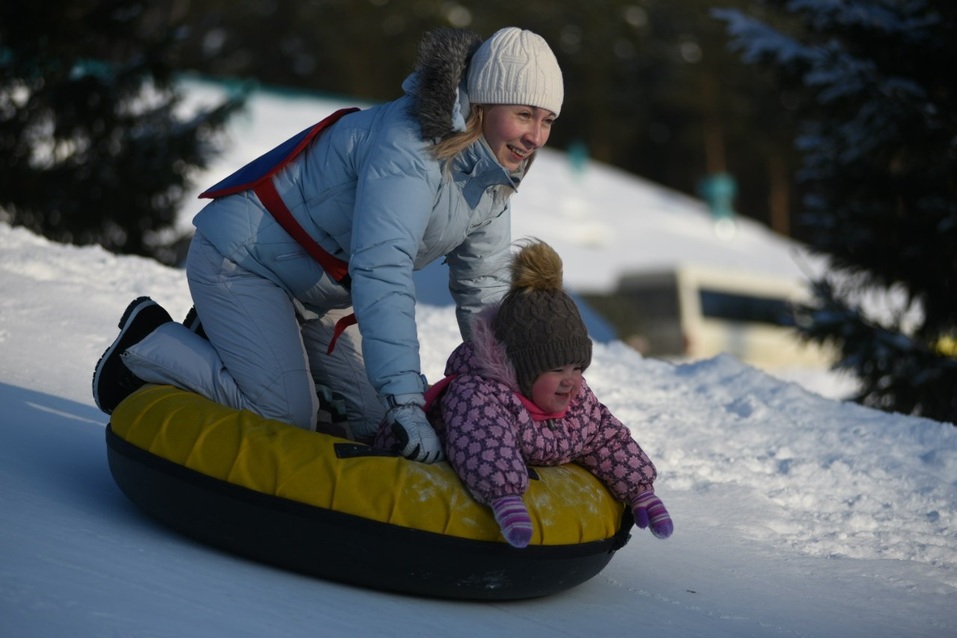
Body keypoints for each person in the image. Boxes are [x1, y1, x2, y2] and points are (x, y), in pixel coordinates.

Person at [92, 27, 565, 464]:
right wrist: (405, 400)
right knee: (285, 416)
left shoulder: (492, 174)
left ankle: (234, 342)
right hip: (245, 262)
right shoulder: (410, 145)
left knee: (371, 423)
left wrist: (516, 389)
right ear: (484, 102)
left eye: (547, 121)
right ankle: (148, 342)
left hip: (322, 293)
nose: (535, 137)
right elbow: (383, 268)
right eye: (523, 115)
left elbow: (482, 287)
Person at [375, 240, 673, 547]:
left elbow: (607, 439)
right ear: (522, 370)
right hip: (409, 460)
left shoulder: (576, 400)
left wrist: (641, 491)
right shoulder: (479, 395)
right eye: (556, 370)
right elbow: (485, 444)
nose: (570, 381)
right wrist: (505, 496)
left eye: (576, 368)